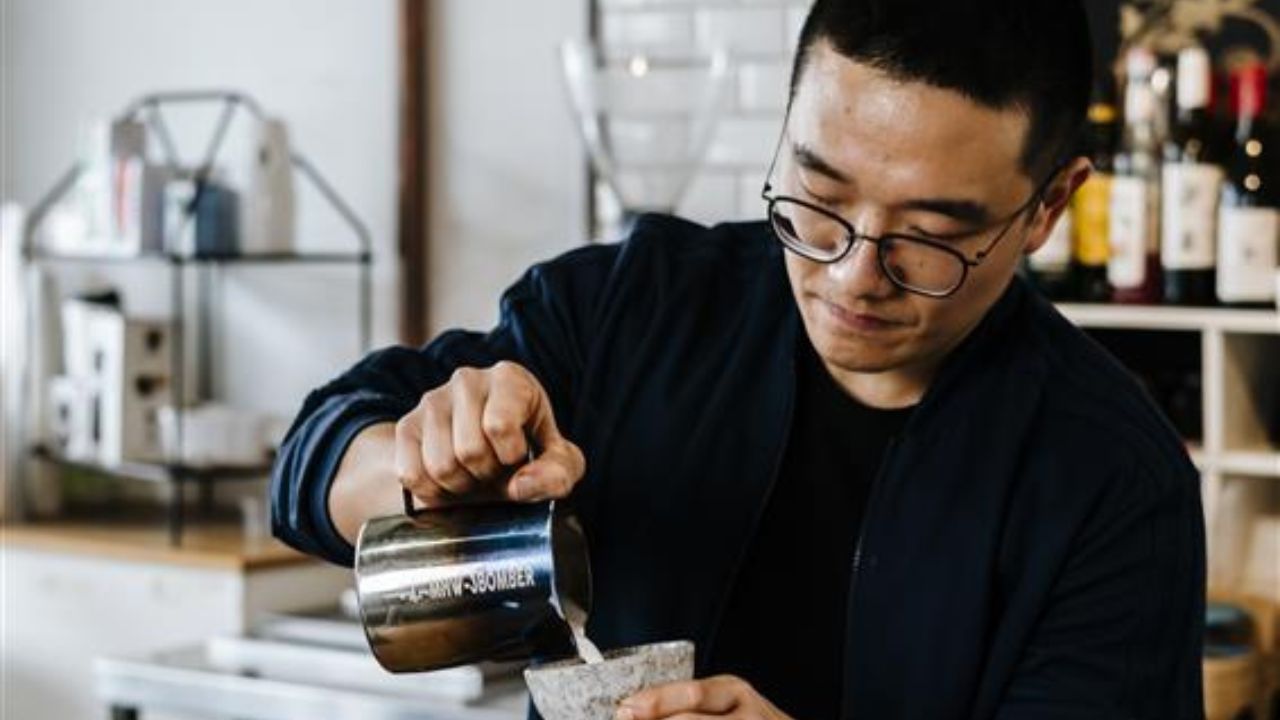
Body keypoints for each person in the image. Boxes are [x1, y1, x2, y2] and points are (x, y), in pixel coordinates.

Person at [271, 0, 1206, 717]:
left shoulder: (1113, 483)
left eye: (928, 235)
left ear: (1048, 207)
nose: (852, 272)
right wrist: (427, 459)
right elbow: (308, 469)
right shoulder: (635, 306)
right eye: (817, 190)